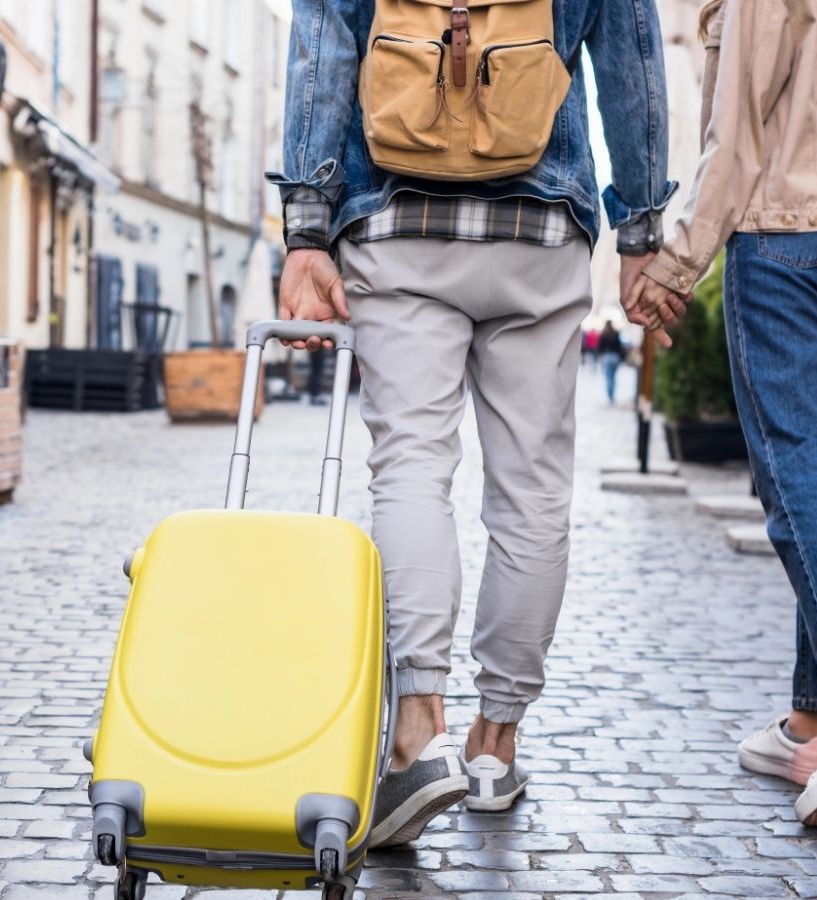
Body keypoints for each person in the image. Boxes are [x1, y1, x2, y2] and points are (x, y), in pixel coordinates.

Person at [271, 0, 675, 846]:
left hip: (395, 219)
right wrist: (639, 230)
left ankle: (419, 734)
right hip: (541, 224)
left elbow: (322, 40)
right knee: (531, 489)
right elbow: (632, 54)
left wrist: (307, 227)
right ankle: (495, 744)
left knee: (412, 468)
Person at [624, 0, 817, 826]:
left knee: (793, 472)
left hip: (785, 232)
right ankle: (808, 723)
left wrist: (678, 262)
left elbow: (739, 130)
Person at [596, 321, 626, 403]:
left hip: (607, 357)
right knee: (613, 377)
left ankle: (610, 395)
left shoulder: (603, 334)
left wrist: (600, 356)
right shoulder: (615, 334)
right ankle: (612, 395)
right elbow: (619, 346)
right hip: (615, 357)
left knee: (608, 377)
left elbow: (600, 347)